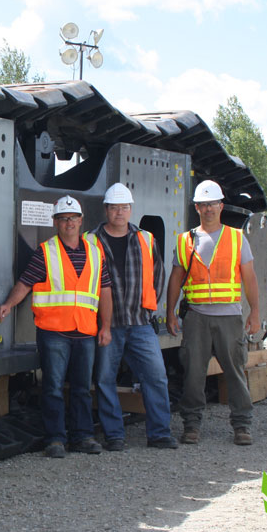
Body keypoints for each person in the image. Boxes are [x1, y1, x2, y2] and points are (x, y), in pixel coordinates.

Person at [0, 195, 112, 458]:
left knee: (82, 388)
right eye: (63, 219)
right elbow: (26, 282)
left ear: (81, 221)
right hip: (54, 331)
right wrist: (9, 304)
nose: (69, 223)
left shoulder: (96, 253)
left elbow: (105, 291)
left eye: (73, 218)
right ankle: (56, 440)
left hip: (85, 331)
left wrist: (106, 326)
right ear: (55, 223)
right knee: (53, 387)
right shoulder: (46, 251)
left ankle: (83, 437)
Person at [165, 180, 261, 446]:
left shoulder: (236, 238)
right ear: (196, 208)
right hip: (196, 317)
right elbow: (176, 279)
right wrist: (170, 312)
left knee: (235, 372)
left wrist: (255, 312)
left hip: (229, 317)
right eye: (203, 204)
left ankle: (242, 425)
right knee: (193, 374)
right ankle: (191, 425)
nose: (208, 209)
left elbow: (250, 278)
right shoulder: (185, 240)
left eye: (213, 204)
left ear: (221, 206)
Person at [90, 183, 178, 451]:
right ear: (106, 209)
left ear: (131, 209)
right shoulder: (90, 241)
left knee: (156, 377)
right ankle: (114, 436)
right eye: (114, 207)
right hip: (107, 325)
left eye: (124, 207)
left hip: (140, 323)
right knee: (105, 380)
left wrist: (149, 309)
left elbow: (158, 276)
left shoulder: (146, 239)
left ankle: (160, 434)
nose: (119, 212)